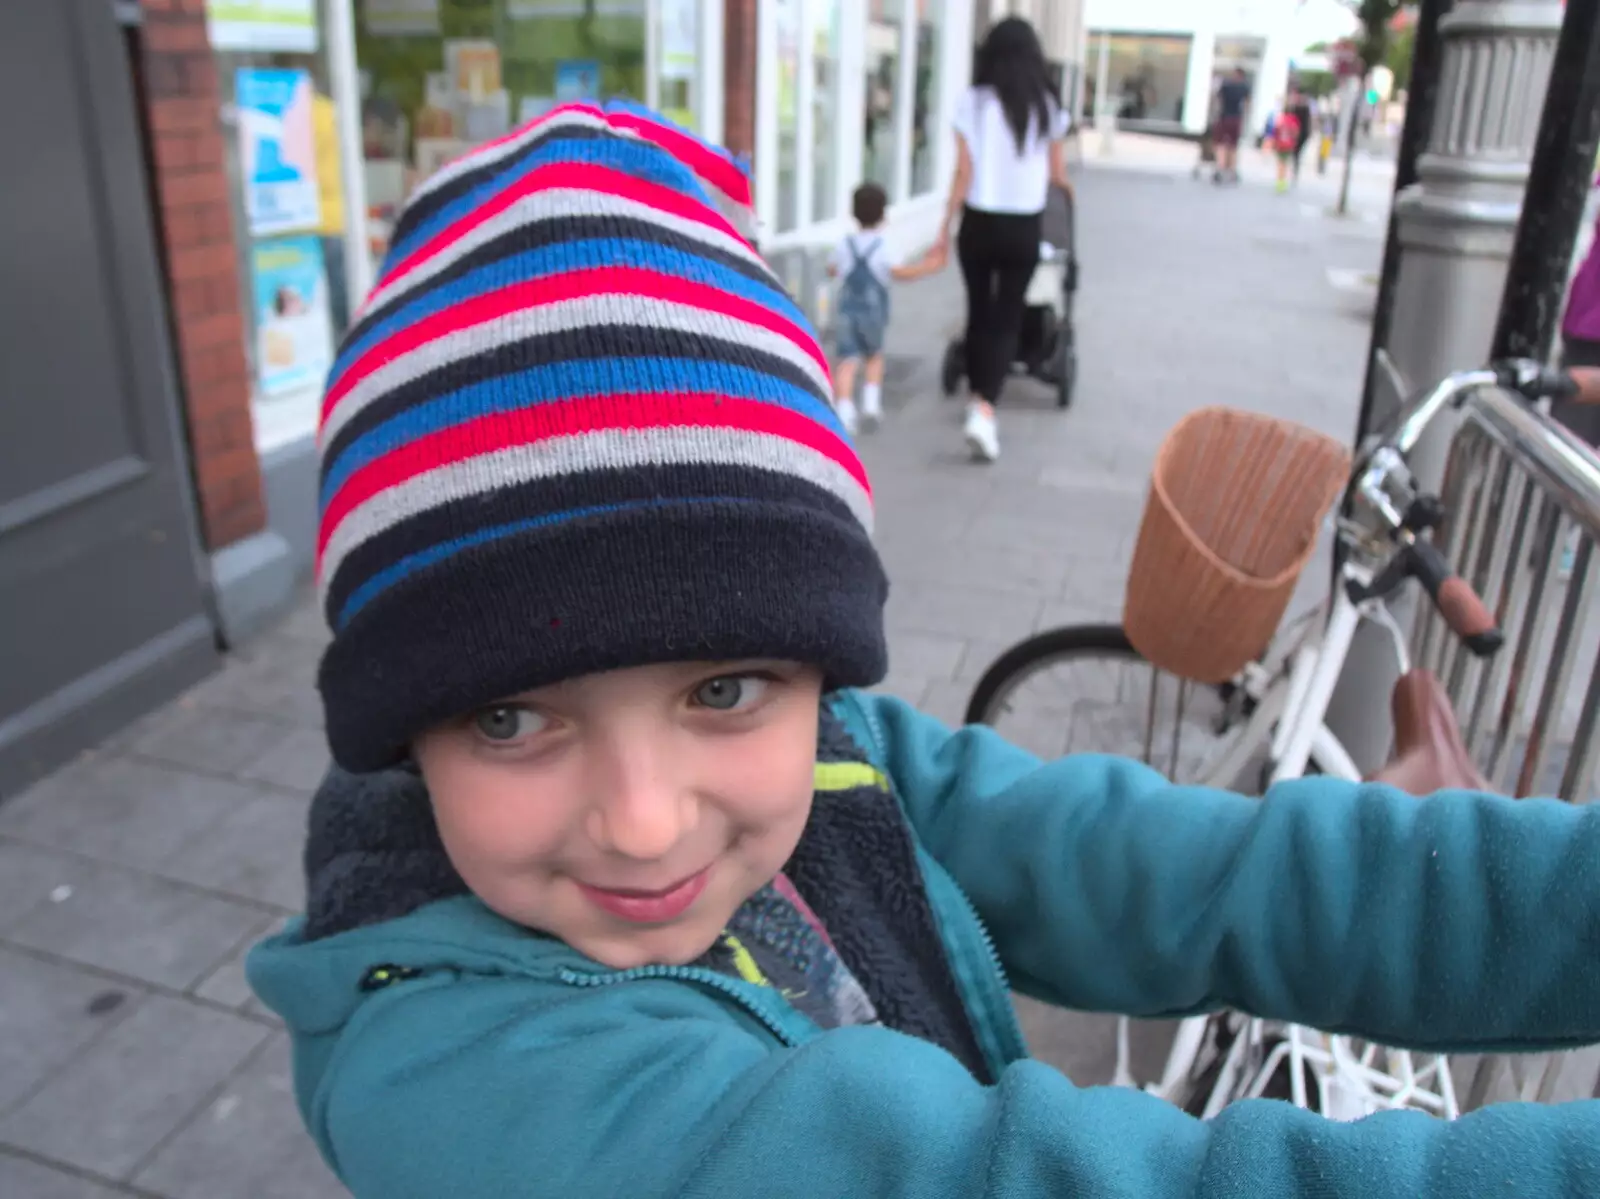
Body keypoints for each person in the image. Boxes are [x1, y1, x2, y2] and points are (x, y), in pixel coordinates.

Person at [247, 100, 1600, 1199]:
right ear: (402, 728)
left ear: (817, 676)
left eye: (724, 688)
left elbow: (1205, 872)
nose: (648, 821)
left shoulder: (840, 767)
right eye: (509, 719)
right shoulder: (469, 1080)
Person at [936, 17, 1071, 463]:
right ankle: (985, 410)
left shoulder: (971, 104)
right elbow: (1057, 177)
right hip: (1023, 226)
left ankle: (979, 397)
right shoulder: (1048, 108)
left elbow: (963, 174)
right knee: (1008, 315)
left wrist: (943, 228)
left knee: (978, 311)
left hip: (978, 223)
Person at [827, 182, 944, 435]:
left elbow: (832, 269)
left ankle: (844, 410)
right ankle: (870, 405)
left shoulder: (844, 244)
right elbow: (899, 272)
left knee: (846, 360)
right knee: (874, 356)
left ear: (852, 213)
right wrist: (927, 267)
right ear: (883, 215)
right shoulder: (884, 246)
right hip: (873, 312)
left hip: (847, 309)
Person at [1212, 66, 1251, 184]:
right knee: (1233, 146)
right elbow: (1247, 104)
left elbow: (1217, 99)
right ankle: (1232, 170)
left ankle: (1220, 168)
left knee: (1221, 144)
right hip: (1236, 118)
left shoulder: (1226, 85)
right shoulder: (1244, 87)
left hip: (1224, 117)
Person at [1270, 97, 1302, 195]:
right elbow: (1296, 131)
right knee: (1285, 163)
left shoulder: (1281, 119)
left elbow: (1276, 131)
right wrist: (1294, 140)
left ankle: (1279, 181)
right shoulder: (1293, 119)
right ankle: (1283, 181)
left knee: (1280, 163)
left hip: (1280, 144)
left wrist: (1274, 142)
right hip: (1288, 144)